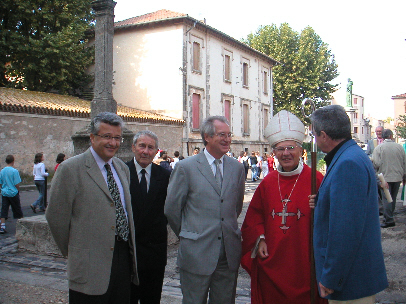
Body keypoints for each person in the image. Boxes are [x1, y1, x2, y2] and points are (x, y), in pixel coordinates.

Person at [46, 112, 138, 303]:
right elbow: (56, 217)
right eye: (106, 136)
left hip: (122, 260)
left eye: (117, 137)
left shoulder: (121, 168)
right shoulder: (71, 169)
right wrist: (76, 251)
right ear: (92, 137)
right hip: (89, 263)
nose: (113, 142)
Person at [241, 110, 326, 304]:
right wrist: (259, 239)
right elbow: (254, 216)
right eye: (280, 149)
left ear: (300, 150)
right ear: (274, 153)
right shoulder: (268, 182)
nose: (285, 153)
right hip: (273, 259)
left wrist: (321, 206)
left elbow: (331, 219)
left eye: (290, 148)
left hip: (304, 259)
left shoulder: (316, 179)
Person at [310, 105, 388, 302]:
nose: (315, 140)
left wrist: (331, 277)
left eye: (315, 135)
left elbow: (345, 230)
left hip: (351, 281)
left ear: (324, 135)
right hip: (353, 276)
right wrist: (322, 202)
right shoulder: (350, 155)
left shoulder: (347, 164)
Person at [164, 116, 245, 304]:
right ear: (207, 137)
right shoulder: (186, 167)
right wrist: (189, 233)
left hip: (227, 254)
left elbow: (236, 206)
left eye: (229, 135)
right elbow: (172, 209)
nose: (227, 139)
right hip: (196, 253)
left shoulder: (237, 168)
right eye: (222, 135)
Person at [126, 130, 171, 304]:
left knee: (152, 299)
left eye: (150, 147)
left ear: (156, 150)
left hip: (155, 252)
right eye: (142, 146)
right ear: (133, 148)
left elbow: (170, 208)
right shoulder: (121, 172)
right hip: (129, 252)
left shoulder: (165, 176)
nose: (145, 151)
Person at [372, 129, 406, 228]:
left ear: (383, 137)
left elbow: (376, 164)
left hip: (385, 177)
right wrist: (404, 175)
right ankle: (390, 215)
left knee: (386, 199)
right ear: (391, 136)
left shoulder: (379, 148)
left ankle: (389, 220)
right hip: (397, 176)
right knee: (393, 198)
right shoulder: (399, 147)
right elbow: (404, 162)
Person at [0, 155, 23, 234]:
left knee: (4, 209)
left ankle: (2, 226)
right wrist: (18, 190)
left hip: (5, 192)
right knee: (17, 209)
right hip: (13, 192)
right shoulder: (14, 171)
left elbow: (1, 182)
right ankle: (20, 226)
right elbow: (16, 183)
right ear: (13, 161)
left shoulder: (2, 171)